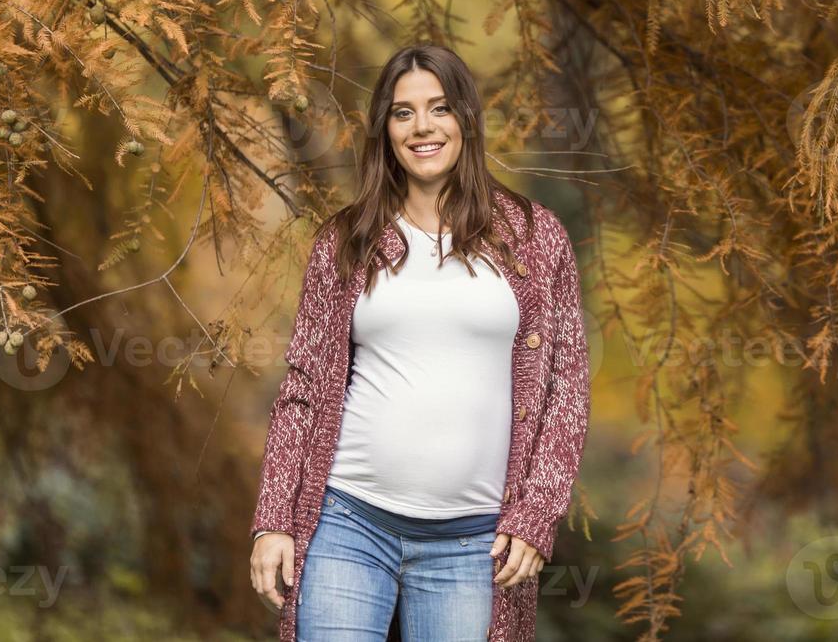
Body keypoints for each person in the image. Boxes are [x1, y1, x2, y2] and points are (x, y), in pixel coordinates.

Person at [248, 43, 590, 642]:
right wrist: (273, 520)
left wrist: (536, 515)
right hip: (348, 522)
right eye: (403, 113)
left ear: (466, 119)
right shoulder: (347, 242)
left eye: (439, 108)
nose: (422, 127)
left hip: (472, 543)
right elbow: (303, 388)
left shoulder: (534, 239)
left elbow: (567, 390)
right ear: (385, 129)